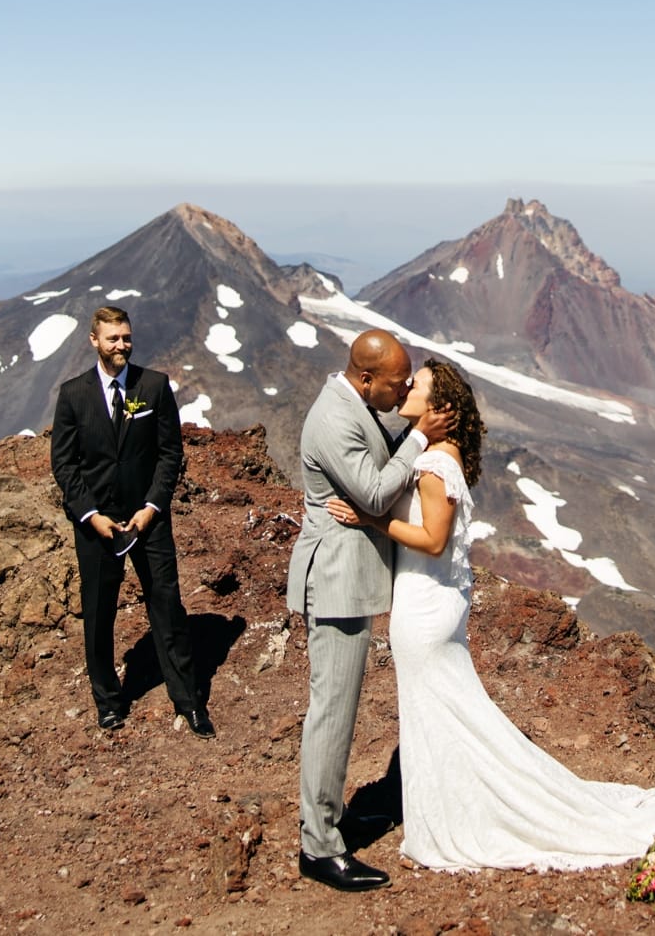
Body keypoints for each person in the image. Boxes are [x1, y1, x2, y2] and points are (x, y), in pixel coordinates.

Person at [328, 358, 655, 871]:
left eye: (416, 384)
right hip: (430, 603)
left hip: (423, 607)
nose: (407, 386)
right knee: (446, 715)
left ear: (439, 407)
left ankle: (462, 815)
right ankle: (452, 803)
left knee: (437, 714)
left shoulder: (436, 464)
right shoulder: (436, 453)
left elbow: (434, 541)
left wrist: (371, 519)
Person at [287, 328, 454, 893]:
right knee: (331, 712)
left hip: (349, 579)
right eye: (395, 381)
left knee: (339, 709)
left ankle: (329, 818)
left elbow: (379, 441)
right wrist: (419, 439)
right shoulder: (333, 418)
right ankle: (320, 847)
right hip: (334, 582)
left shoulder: (353, 402)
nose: (403, 388)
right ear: (365, 378)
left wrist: (412, 424)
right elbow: (376, 494)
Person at [51, 306, 213, 738]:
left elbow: (169, 453)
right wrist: (92, 517)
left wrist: (151, 508)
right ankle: (108, 701)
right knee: (99, 615)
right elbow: (64, 466)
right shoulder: (73, 395)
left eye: (126, 337)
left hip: (149, 520)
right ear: (94, 341)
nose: (121, 345)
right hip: (97, 526)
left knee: (167, 606)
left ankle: (189, 700)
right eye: (112, 338)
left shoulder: (154, 386)